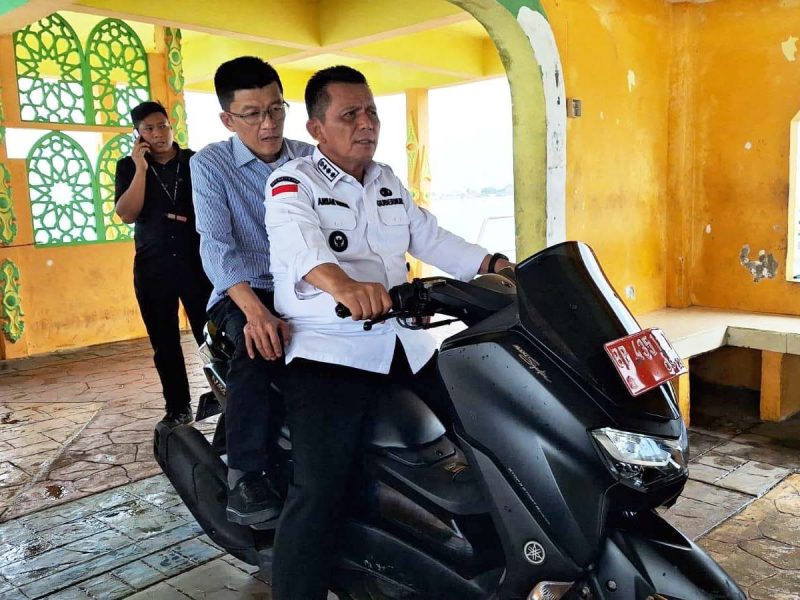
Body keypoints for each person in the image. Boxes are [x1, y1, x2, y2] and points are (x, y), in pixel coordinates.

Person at [265, 65, 512, 600]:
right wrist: (343, 285)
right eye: (348, 114)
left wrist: (494, 263)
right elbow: (298, 245)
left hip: (403, 343)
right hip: (327, 353)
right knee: (320, 488)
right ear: (316, 129)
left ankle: (500, 560)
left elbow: (432, 238)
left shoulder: (385, 181)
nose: (365, 123)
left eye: (371, 111)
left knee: (486, 438)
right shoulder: (292, 182)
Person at [190, 57, 314, 526]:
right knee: (257, 343)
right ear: (228, 118)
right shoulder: (211, 165)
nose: (269, 124)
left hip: (304, 283)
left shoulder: (308, 156)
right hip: (241, 289)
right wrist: (255, 312)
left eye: (276, 108)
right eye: (253, 114)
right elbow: (217, 248)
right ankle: (245, 473)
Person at [115, 101, 212, 426]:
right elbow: (127, 213)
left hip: (197, 264)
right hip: (153, 268)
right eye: (149, 129)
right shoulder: (128, 167)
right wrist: (140, 168)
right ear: (138, 135)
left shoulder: (195, 161)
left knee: (211, 335)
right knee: (164, 341)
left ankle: (226, 394)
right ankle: (178, 406)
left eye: (162, 126)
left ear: (172, 125)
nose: (158, 134)